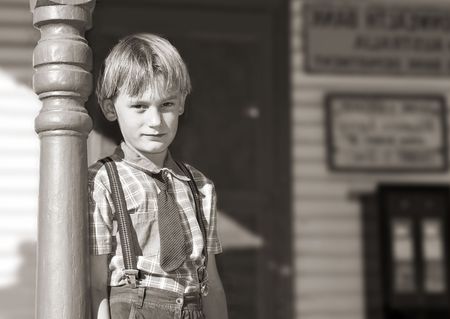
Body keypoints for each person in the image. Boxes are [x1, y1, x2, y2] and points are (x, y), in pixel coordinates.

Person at [89, 33, 228, 319]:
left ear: (181, 104)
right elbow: (94, 284)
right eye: (139, 106)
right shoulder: (101, 181)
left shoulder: (200, 187)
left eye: (165, 104)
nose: (155, 121)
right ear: (109, 108)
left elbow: (211, 283)